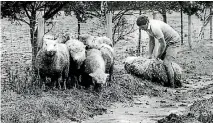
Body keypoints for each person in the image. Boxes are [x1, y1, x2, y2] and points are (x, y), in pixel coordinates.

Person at [136, 15, 181, 88]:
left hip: (174, 41)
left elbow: (162, 44)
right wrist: (149, 55)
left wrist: (157, 56)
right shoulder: (148, 28)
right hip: (166, 41)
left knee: (166, 63)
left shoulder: (155, 28)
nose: (142, 29)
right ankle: (164, 80)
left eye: (143, 27)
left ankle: (172, 85)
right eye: (140, 28)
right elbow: (151, 41)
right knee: (161, 61)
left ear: (147, 23)